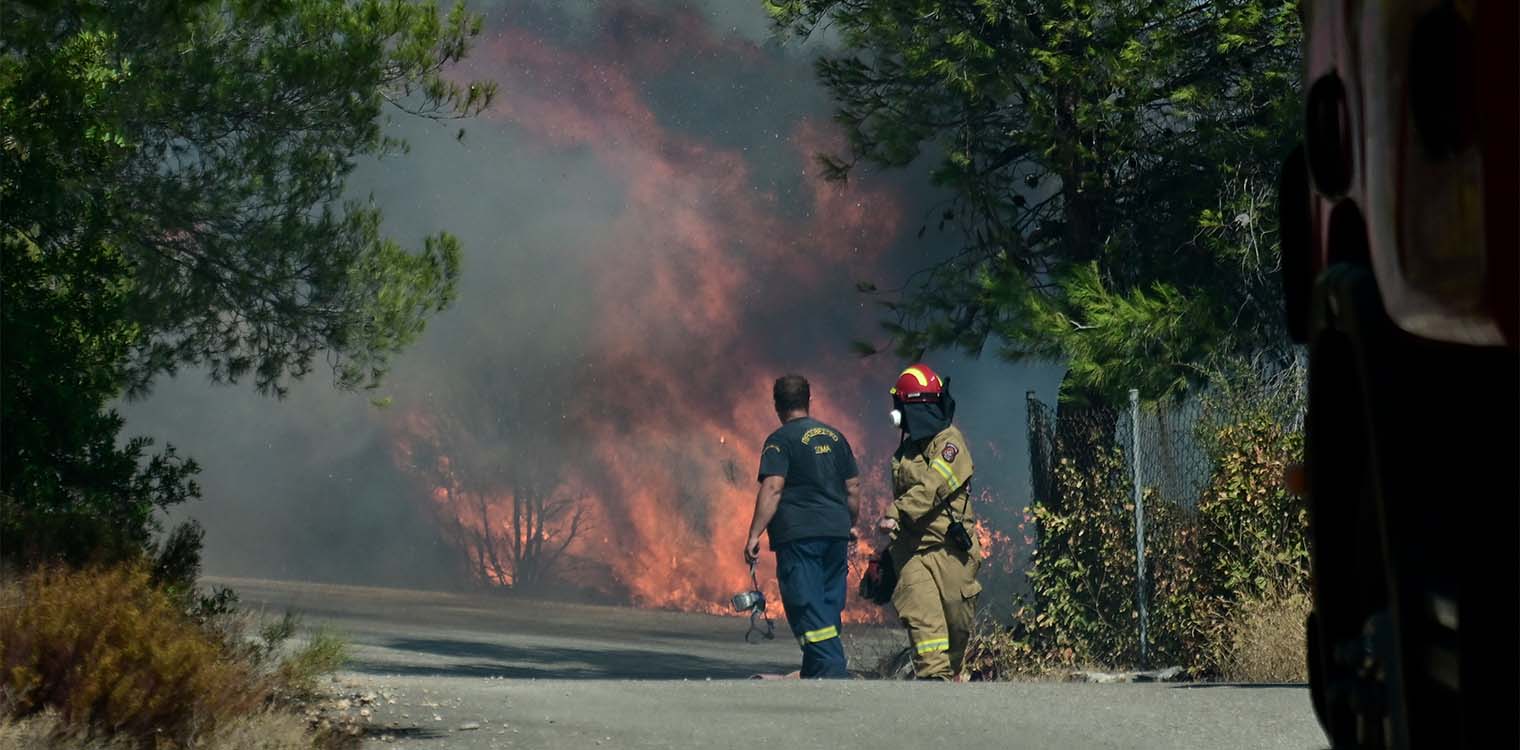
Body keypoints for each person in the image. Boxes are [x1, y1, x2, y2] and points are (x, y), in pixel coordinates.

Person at [743, 374, 862, 678]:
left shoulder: (780, 441)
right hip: (835, 534)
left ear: (777, 406)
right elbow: (853, 487)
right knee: (828, 605)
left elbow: (773, 488)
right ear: (809, 400)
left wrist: (754, 533)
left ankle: (834, 673)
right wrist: (848, 523)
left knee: (806, 605)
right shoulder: (836, 438)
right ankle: (815, 675)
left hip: (800, 537)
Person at [877, 363, 981, 680]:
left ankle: (949, 678)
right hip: (910, 553)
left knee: (957, 626)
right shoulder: (905, 452)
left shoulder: (950, 443)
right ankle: (932, 681)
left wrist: (895, 511)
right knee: (924, 625)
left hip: (950, 551)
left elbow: (933, 487)